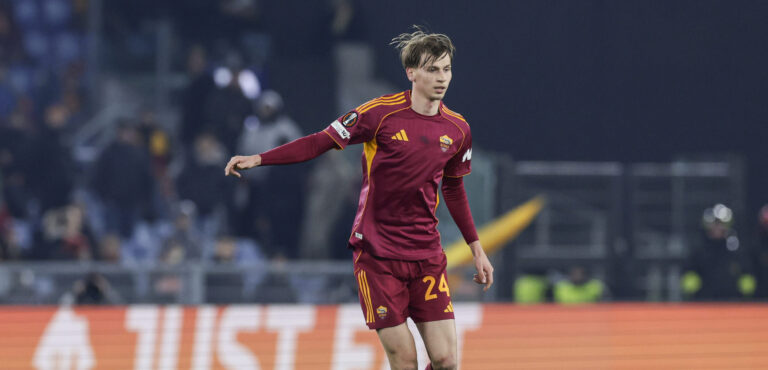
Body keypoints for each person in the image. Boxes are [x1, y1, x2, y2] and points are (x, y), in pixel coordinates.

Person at [225, 28, 493, 370]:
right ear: (411, 73)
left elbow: (454, 189)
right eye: (432, 69)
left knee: (446, 360)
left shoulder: (458, 130)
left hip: (425, 255)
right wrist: (260, 158)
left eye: (446, 69)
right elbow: (319, 142)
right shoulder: (378, 114)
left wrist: (476, 248)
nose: (442, 78)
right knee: (405, 358)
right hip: (378, 255)